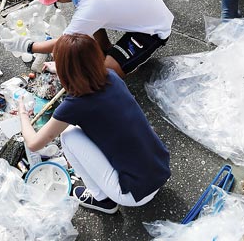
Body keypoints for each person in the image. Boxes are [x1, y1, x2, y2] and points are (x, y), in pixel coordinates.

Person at [18, 33, 170, 214]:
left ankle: (102, 200)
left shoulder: (75, 103)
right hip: (159, 170)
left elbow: (34, 143)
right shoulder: (111, 76)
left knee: (68, 136)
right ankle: (110, 192)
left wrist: (22, 114)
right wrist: (59, 68)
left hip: (132, 194)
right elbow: (84, 68)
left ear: (67, 71)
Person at [16, 0, 174, 79]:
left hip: (153, 28)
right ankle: (106, 50)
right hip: (144, 4)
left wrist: (29, 46)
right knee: (93, 24)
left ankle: (127, 62)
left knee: (104, 75)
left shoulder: (91, 5)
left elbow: (64, 42)